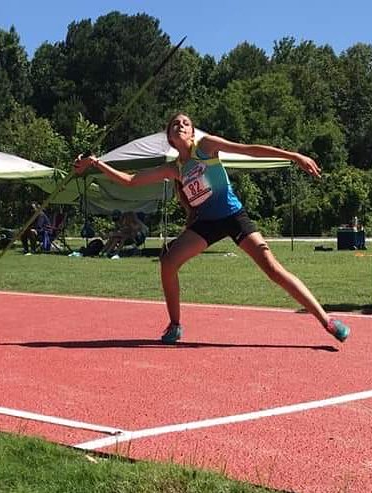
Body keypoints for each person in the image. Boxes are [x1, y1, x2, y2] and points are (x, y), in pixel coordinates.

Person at [74, 113, 350, 344]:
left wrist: (293, 155)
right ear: (169, 138)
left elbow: (248, 149)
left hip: (232, 215)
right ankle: (175, 325)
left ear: (192, 132)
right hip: (206, 222)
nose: (180, 125)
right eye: (175, 124)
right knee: (168, 261)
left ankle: (327, 321)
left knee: (271, 266)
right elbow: (132, 181)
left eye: (185, 123)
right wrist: (97, 163)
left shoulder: (205, 147)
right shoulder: (175, 168)